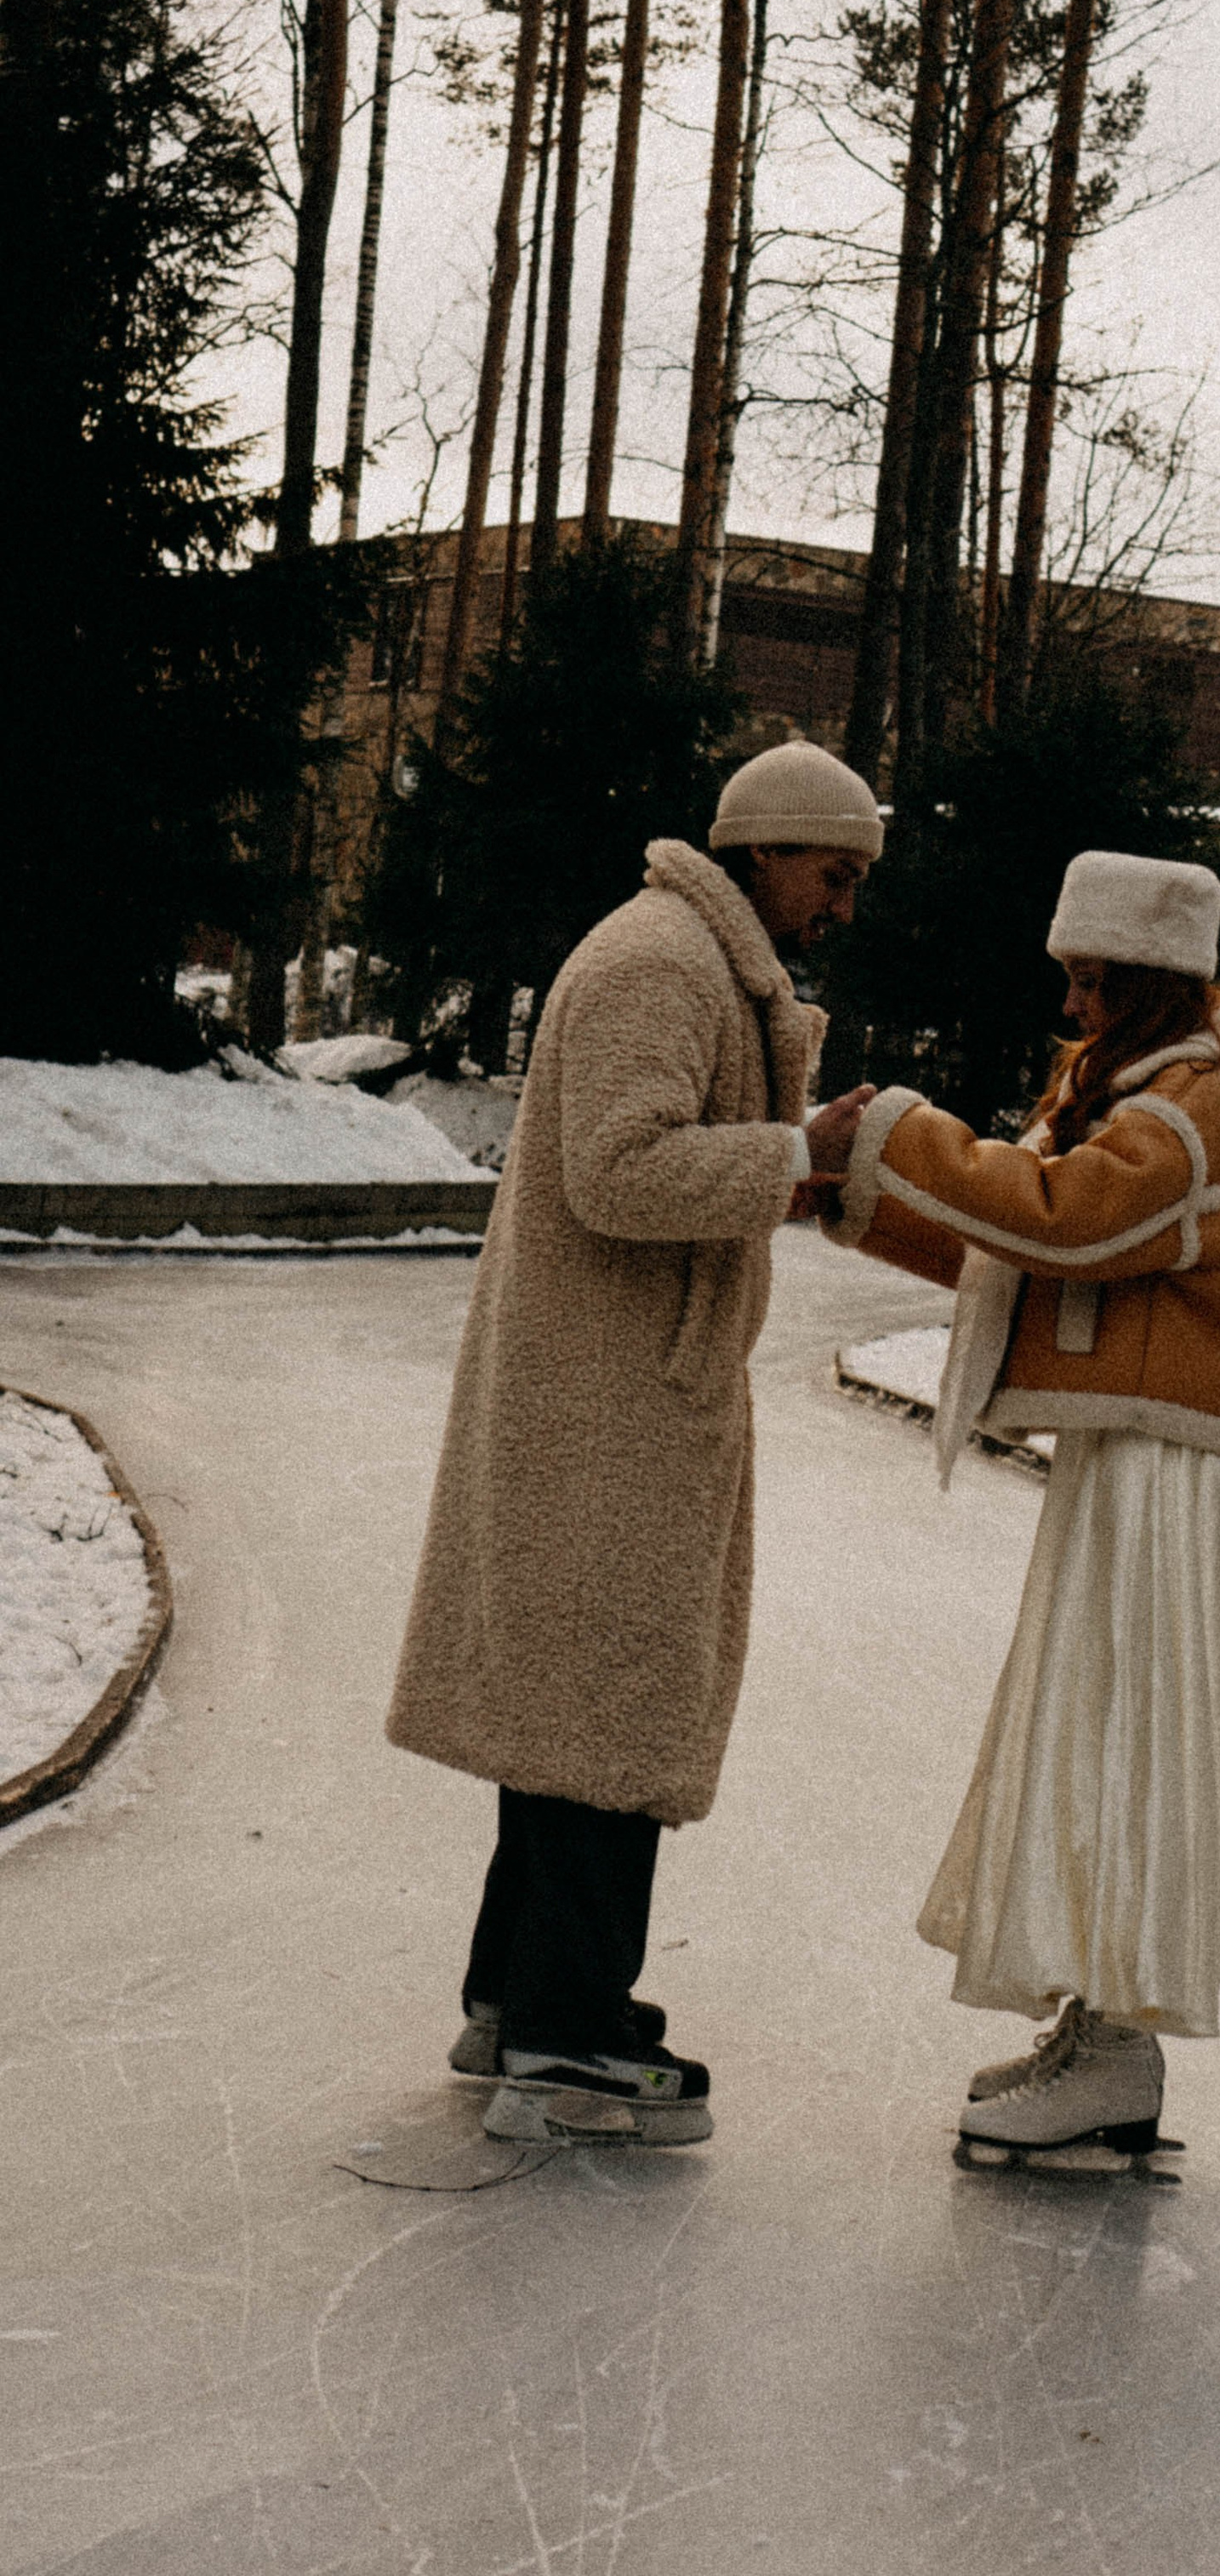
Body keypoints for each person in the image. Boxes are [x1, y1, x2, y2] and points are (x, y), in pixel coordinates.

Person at [385, 739, 883, 2146]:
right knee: (608, 1707)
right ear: (764, 850)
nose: (842, 905)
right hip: (603, 1407)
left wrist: (792, 1175)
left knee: (571, 1709)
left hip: (615, 1396)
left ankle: (521, 1997)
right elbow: (618, 1170)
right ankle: (566, 2033)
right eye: (833, 873)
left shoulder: (692, 959)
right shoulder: (661, 963)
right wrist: (795, 1153)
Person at [824, 848, 1220, 2172]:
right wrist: (857, 1201)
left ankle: (1118, 2049)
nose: (1075, 1005)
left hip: (1164, 1477)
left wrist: (894, 1132)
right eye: (1073, 977)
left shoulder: (1197, 1110)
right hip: (1132, 1460)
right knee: (1102, 1727)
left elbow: (1066, 1220)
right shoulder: (1157, 1093)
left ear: (1153, 980)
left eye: (1096, 980)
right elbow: (1019, 1251)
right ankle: (1100, 2035)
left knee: (1126, 1736)